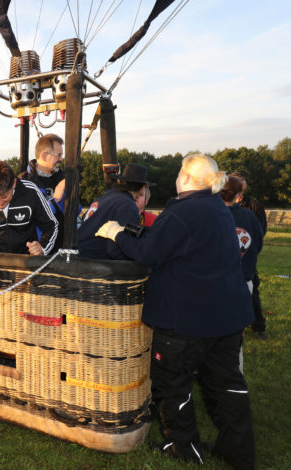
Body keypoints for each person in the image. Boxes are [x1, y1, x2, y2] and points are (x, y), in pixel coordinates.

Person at [95, 154, 255, 470]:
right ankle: (238, 452)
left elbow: (149, 253)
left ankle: (183, 448)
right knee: (226, 386)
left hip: (186, 320)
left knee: (172, 385)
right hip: (226, 316)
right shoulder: (218, 209)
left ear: (184, 177)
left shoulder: (182, 211)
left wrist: (116, 233)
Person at [77, 163, 153, 260]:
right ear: (142, 187)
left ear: (121, 181)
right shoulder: (128, 206)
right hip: (92, 262)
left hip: (78, 255)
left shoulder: (107, 196)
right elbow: (115, 250)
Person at [232, 172, 268, 340]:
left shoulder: (253, 206)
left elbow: (260, 231)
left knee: (252, 292)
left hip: (247, 255)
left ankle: (258, 326)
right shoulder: (222, 205)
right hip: (229, 256)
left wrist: (251, 251)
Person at [19, 133, 68, 250]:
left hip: (62, 248)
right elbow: (26, 215)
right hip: (37, 249)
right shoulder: (24, 182)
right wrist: (56, 201)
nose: (61, 159)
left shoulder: (62, 178)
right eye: (58, 155)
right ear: (44, 156)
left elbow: (76, 210)